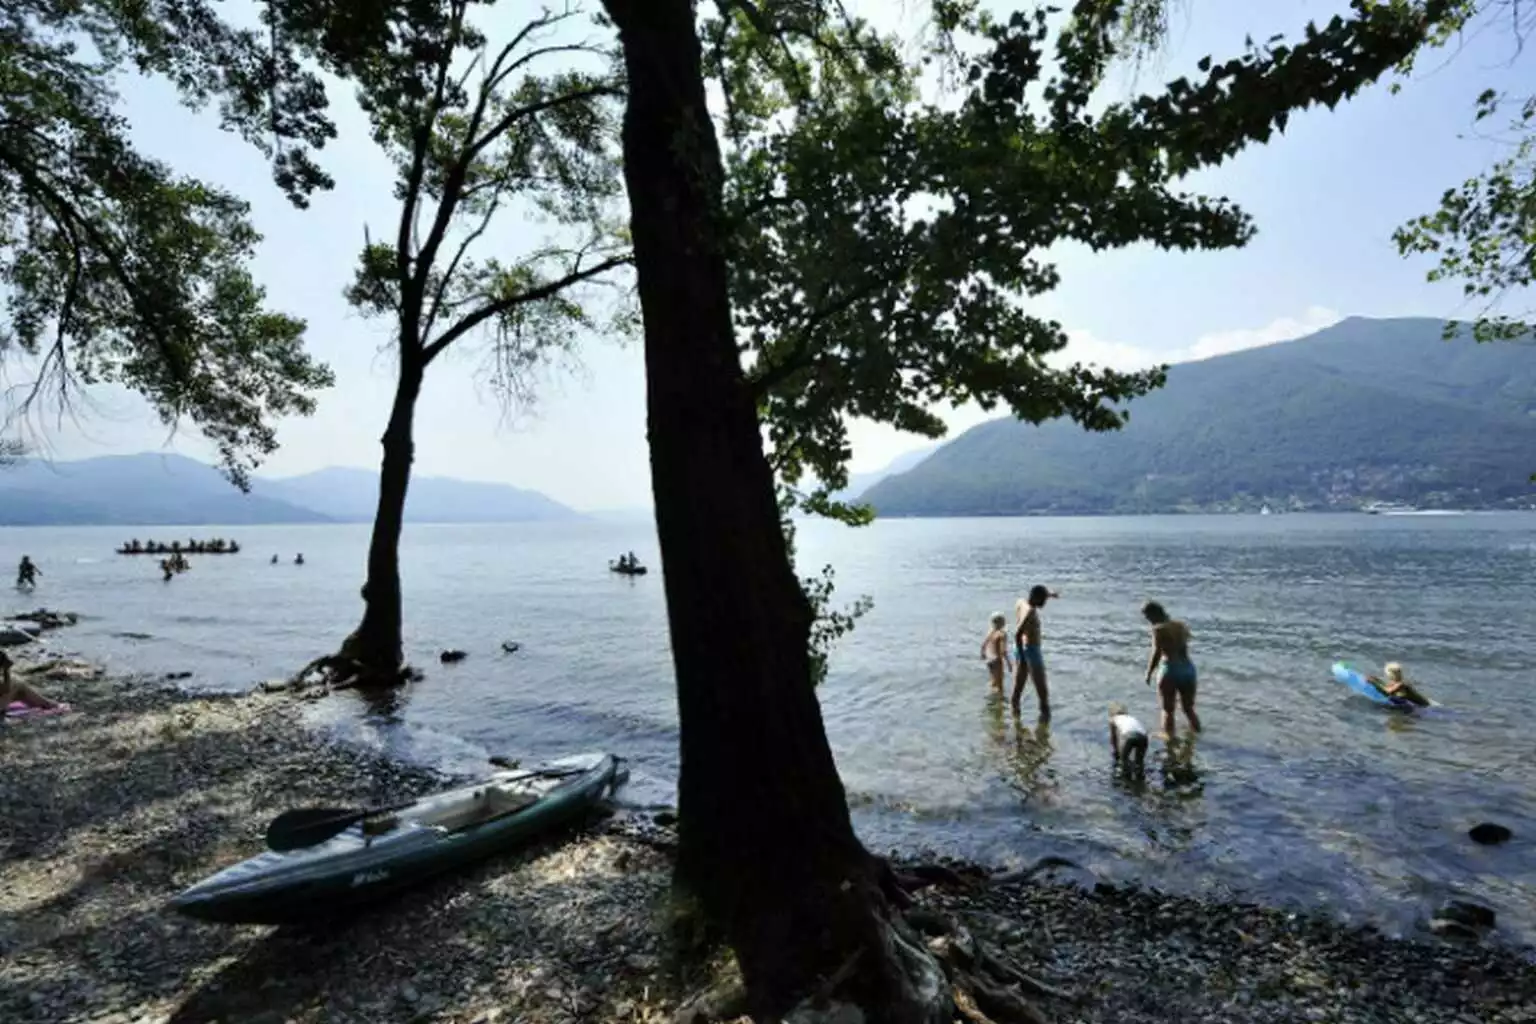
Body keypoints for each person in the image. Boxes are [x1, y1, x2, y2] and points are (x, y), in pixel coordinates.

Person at [1143, 600, 1201, 739]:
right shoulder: (1181, 626)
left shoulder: (1158, 630)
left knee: (1168, 710)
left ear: (1152, 615)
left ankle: (1169, 738)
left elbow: (1157, 652)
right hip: (1188, 669)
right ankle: (1197, 735)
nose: (1147, 620)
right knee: (1188, 709)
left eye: (1147, 617)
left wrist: (1149, 672)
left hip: (1170, 670)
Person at [1013, 585, 1059, 719]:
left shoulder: (1021, 602)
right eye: (1044, 600)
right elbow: (1017, 634)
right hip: (1031, 652)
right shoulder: (1030, 612)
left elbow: (1037, 594)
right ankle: (1045, 726)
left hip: (1021, 648)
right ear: (1036, 598)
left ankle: (1015, 718)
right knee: (1043, 693)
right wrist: (1022, 659)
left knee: (1018, 689)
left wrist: (1051, 595)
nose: (1044, 603)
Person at [1367, 662, 1431, 707]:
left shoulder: (1401, 684)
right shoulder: (1396, 682)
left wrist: (1374, 682)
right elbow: (1387, 687)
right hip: (1422, 704)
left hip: (1426, 707)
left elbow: (1388, 691)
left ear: (1390, 675)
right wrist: (1377, 679)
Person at [1108, 701, 1148, 772]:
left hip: (1128, 736)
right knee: (1139, 763)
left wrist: (1116, 751)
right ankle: (1140, 777)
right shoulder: (1131, 717)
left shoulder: (1113, 719)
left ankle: (1126, 779)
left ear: (1111, 713)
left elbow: (1113, 738)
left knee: (1124, 762)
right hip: (1143, 737)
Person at [980, 612, 1012, 694]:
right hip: (997, 660)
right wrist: (1009, 663)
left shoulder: (990, 632)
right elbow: (1003, 651)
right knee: (1000, 685)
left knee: (993, 681)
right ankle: (999, 704)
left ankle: (991, 695)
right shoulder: (1002, 634)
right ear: (1002, 623)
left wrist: (983, 654)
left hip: (989, 659)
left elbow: (983, 645)